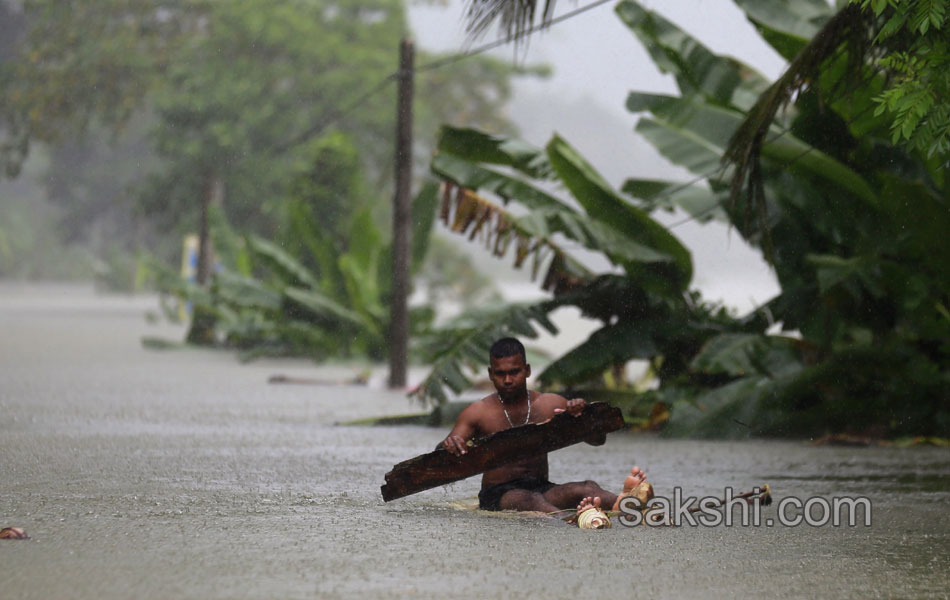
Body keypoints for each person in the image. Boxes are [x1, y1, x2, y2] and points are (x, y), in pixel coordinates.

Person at [441, 337, 651, 515]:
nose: (507, 380)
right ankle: (575, 520)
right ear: (490, 374)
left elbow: (598, 440)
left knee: (585, 489)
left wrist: (581, 419)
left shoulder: (550, 403)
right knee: (528, 501)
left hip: (541, 487)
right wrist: (448, 444)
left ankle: (626, 505)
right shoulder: (478, 412)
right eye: (500, 373)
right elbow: (440, 456)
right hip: (498, 494)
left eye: (514, 372)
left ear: (527, 370)